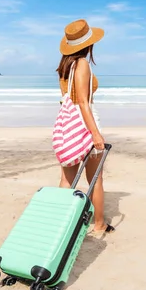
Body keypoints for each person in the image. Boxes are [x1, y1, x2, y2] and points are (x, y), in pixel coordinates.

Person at [55, 19, 115, 234]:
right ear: (89, 43)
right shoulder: (82, 64)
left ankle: (61, 224)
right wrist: (95, 133)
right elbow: (82, 102)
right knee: (95, 177)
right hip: (85, 123)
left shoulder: (64, 66)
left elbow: (67, 98)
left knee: (66, 178)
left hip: (68, 126)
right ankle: (99, 224)